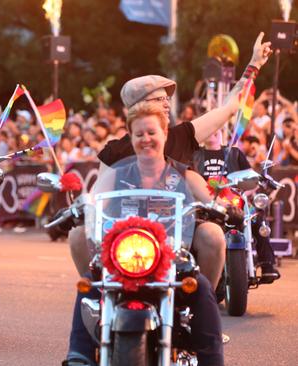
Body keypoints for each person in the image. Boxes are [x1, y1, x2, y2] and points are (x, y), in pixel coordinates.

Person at [69, 32, 272, 290]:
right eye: (159, 99)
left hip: (179, 232)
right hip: (128, 235)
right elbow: (100, 197)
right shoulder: (113, 152)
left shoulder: (182, 135)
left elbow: (229, 108)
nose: (167, 104)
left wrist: (253, 66)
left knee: (212, 233)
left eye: (167, 98)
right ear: (138, 108)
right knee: (77, 235)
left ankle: (203, 302)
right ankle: (97, 294)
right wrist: (85, 209)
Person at [65, 102, 224, 366]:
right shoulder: (116, 175)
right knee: (90, 281)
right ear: (131, 137)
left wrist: (223, 209)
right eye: (139, 134)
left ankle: (211, 360)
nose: (146, 139)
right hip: (124, 256)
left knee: (202, 286)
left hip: (171, 258)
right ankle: (79, 355)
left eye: (151, 132)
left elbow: (210, 202)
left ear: (164, 134)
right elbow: (94, 202)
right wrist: (81, 207)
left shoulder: (184, 175)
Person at [193, 128, 281, 282]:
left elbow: (251, 178)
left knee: (257, 218)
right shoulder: (195, 155)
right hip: (204, 207)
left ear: (222, 132)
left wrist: (245, 192)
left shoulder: (234, 153)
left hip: (234, 204)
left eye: (217, 128)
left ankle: (267, 265)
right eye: (210, 129)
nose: (212, 132)